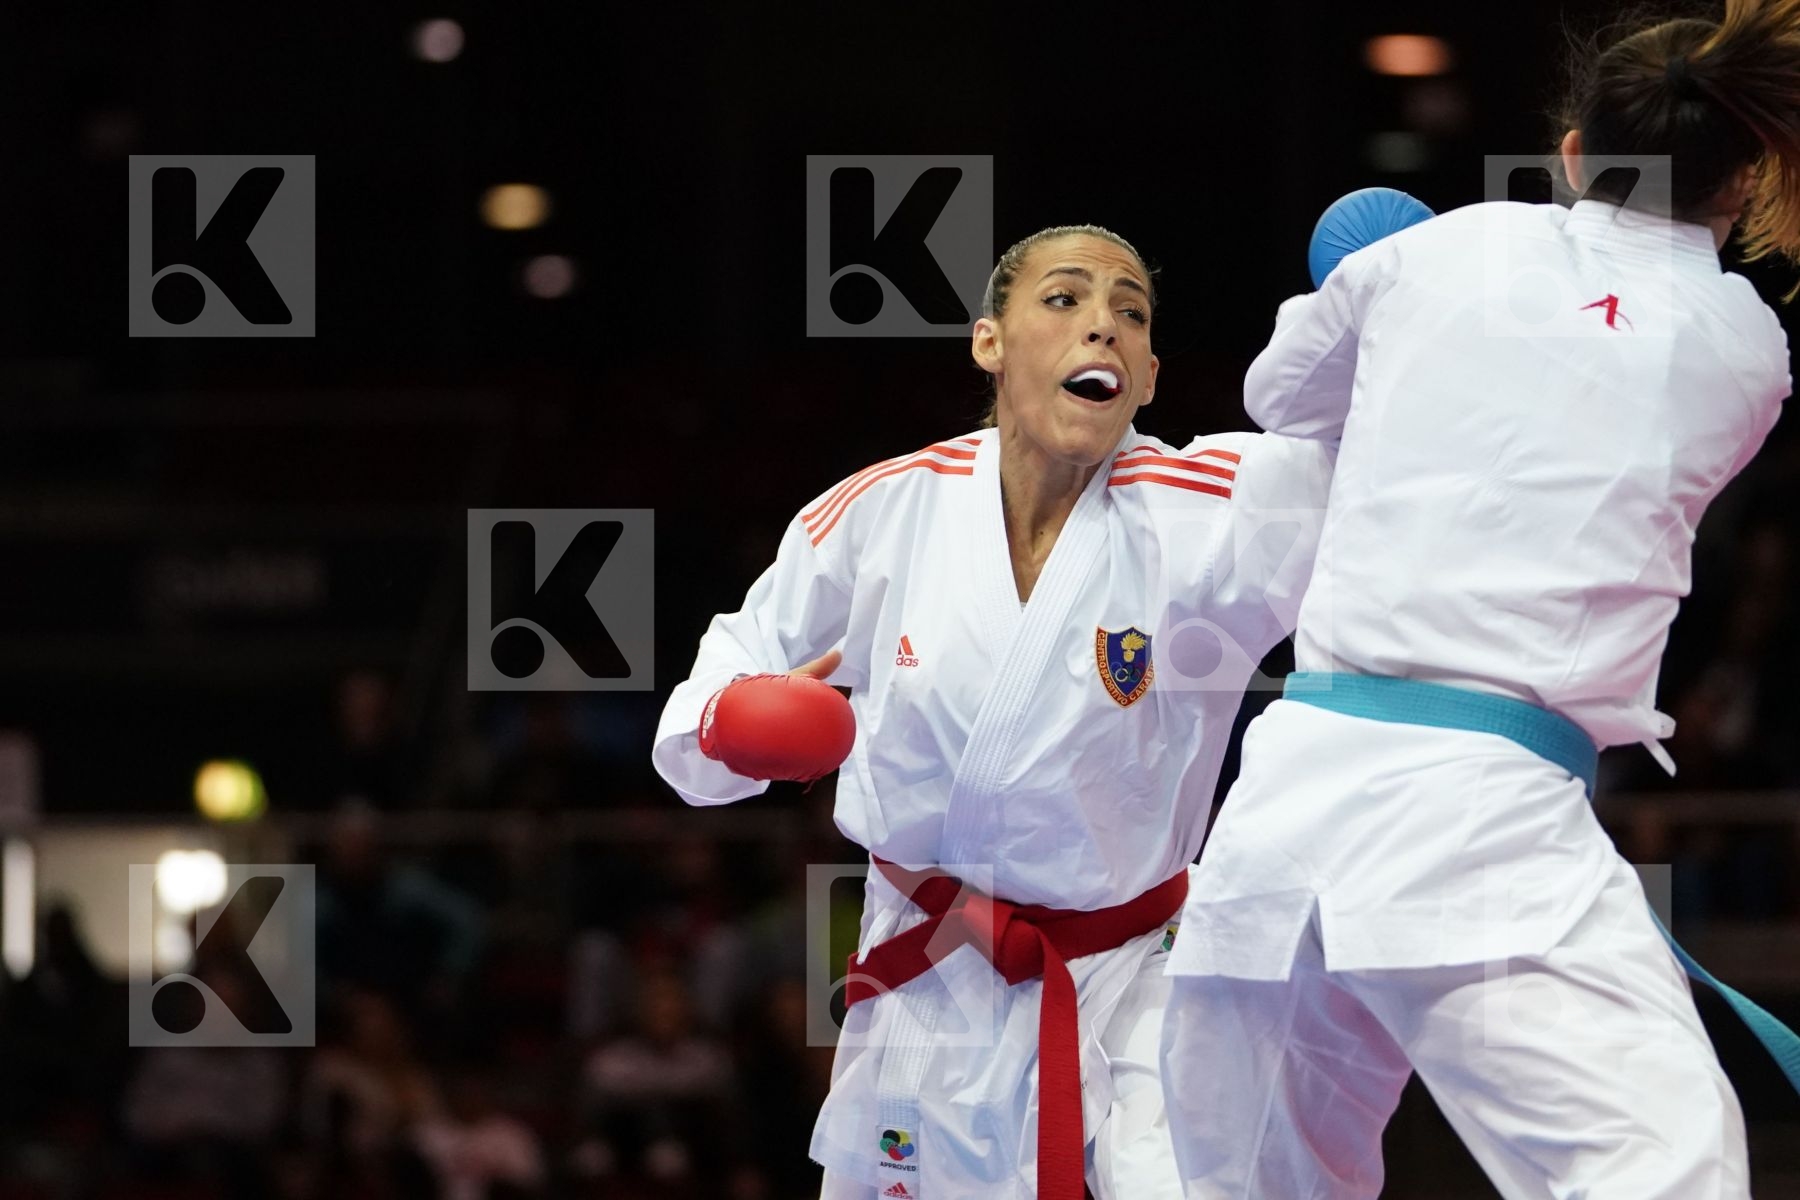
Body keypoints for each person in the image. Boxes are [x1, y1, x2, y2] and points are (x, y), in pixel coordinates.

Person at [1158, 4, 1799, 1197]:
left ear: (1573, 152)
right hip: (1483, 832)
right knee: (1666, 1171)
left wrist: (1385, 298)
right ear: (1743, 181)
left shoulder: (1440, 251)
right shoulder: (1745, 350)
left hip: (1282, 821)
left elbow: (1282, 401)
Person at [653, 225, 1334, 1200]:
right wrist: (734, 725)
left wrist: (1395, 319)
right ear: (991, 343)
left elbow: (1392, 492)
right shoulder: (884, 513)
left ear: (1148, 377)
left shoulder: (1218, 509)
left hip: (1135, 973)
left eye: (1130, 313)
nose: (1101, 324)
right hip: (931, 973)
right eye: (1064, 298)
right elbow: (705, 707)